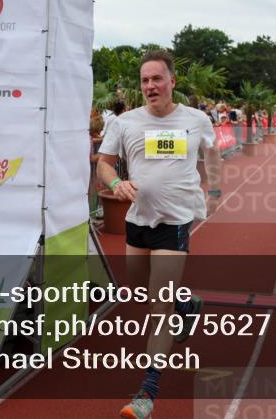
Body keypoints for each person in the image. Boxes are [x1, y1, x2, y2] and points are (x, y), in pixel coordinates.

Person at [96, 50, 222, 419]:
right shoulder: (126, 123)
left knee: (158, 306)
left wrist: (214, 190)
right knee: (140, 291)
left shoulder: (196, 119)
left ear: (171, 82)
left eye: (157, 79)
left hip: (175, 222)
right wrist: (116, 183)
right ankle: (187, 304)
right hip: (138, 221)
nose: (150, 86)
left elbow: (213, 153)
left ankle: (147, 393)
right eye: (145, 80)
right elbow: (104, 164)